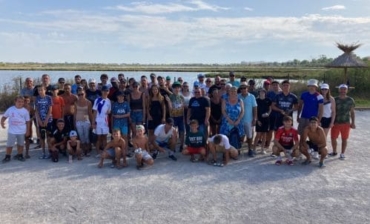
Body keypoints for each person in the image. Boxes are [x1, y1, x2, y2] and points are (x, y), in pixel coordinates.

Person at [329, 84, 356, 160]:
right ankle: (334, 151)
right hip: (336, 122)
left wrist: (353, 122)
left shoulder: (350, 100)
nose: (343, 91)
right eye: (341, 89)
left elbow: (352, 112)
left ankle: (342, 153)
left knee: (344, 138)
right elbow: (332, 111)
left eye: (344, 89)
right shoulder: (335, 99)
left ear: (347, 90)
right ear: (339, 90)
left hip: (346, 122)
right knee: (333, 138)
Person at [1, 96, 30, 162]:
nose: (20, 103)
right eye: (19, 101)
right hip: (12, 131)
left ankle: (20, 155)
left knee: (21, 144)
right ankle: (7, 156)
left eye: (22, 102)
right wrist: (2, 123)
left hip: (21, 131)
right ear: (15, 102)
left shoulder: (25, 111)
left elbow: (28, 122)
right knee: (9, 144)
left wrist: (27, 130)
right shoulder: (10, 109)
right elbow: (4, 117)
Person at [238, 82, 257, 156]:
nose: (243, 89)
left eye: (244, 88)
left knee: (249, 136)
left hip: (249, 120)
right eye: (241, 88)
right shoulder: (238, 96)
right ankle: (238, 149)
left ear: (247, 88)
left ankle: (250, 149)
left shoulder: (252, 96)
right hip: (239, 120)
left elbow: (255, 108)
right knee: (240, 136)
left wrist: (255, 118)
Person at [92, 85, 111, 156]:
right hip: (98, 121)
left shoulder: (108, 101)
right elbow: (94, 112)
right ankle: (97, 151)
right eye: (104, 91)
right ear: (101, 91)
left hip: (105, 121)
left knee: (105, 137)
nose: (105, 92)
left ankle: (105, 151)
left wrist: (109, 112)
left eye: (107, 91)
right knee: (99, 137)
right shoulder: (97, 100)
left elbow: (109, 111)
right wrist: (93, 122)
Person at [35, 85, 53, 159]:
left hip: (48, 120)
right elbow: (36, 110)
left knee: (49, 137)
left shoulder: (49, 98)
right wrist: (39, 120)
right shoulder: (37, 98)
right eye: (39, 90)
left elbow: (50, 110)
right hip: (40, 120)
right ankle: (43, 152)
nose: (40, 91)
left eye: (41, 90)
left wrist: (46, 120)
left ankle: (49, 152)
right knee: (42, 137)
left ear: (45, 90)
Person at [74, 89, 93, 156]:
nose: (81, 96)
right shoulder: (76, 102)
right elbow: (75, 113)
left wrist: (92, 122)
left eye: (82, 94)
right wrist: (74, 123)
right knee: (81, 136)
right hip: (78, 121)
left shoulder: (89, 102)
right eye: (79, 94)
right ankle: (83, 150)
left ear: (85, 94)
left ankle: (87, 150)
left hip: (86, 121)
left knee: (87, 136)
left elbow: (90, 113)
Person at [253, 89, 272, 154]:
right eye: (261, 92)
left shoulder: (268, 100)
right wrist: (257, 120)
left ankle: (262, 149)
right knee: (258, 134)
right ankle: (254, 149)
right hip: (259, 119)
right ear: (259, 93)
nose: (262, 93)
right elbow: (255, 111)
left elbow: (270, 109)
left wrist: (268, 114)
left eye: (263, 92)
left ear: (265, 93)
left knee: (264, 134)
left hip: (266, 119)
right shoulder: (256, 100)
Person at [168, 82, 185, 151]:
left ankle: (181, 145)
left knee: (182, 131)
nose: (177, 89)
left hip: (180, 116)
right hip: (173, 117)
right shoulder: (170, 97)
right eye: (175, 87)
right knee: (174, 132)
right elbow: (170, 108)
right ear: (173, 88)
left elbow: (183, 107)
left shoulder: (181, 97)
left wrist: (183, 117)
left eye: (178, 87)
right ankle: (173, 146)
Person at [266, 80, 281, 149]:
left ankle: (276, 145)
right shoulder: (269, 93)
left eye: (276, 85)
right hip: (271, 113)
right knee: (270, 129)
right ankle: (267, 144)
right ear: (272, 86)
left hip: (280, 114)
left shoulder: (282, 93)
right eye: (273, 85)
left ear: (278, 85)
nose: (275, 86)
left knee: (278, 130)